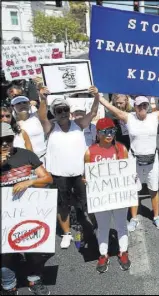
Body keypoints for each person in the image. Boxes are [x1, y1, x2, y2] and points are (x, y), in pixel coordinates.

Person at [99, 95, 159, 231]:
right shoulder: (129, 117)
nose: (142, 108)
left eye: (145, 105)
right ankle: (133, 219)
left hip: (152, 159)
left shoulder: (154, 117)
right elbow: (110, 107)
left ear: (148, 106)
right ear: (135, 107)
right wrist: (98, 97)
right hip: (134, 159)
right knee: (134, 190)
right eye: (139, 105)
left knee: (153, 189)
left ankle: (156, 217)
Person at [38, 86, 100, 249]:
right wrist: (43, 99)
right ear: (55, 113)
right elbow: (42, 117)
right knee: (63, 206)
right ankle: (67, 234)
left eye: (65, 109)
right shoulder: (50, 127)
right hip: (59, 175)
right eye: (59, 111)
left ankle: (95, 228)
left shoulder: (78, 123)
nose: (63, 113)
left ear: (69, 111)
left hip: (79, 174)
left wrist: (97, 96)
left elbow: (93, 113)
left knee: (86, 204)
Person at [1, 123, 54, 296]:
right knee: (5, 252)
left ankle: (35, 279)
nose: (4, 144)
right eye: (0, 140)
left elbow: (47, 178)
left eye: (8, 139)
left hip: (28, 212)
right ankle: (9, 285)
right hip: (5, 215)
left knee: (34, 249)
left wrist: (29, 182)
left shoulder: (27, 155)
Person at [84, 118, 131, 273]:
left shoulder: (122, 149)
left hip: (119, 196)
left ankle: (123, 251)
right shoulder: (90, 151)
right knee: (103, 226)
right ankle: (103, 254)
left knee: (121, 224)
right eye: (105, 132)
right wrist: (86, 179)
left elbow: (127, 170)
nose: (109, 134)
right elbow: (86, 174)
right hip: (101, 197)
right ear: (98, 133)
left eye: (112, 131)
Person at [11, 95, 47, 162]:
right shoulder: (10, 122)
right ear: (13, 107)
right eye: (18, 103)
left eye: (24, 102)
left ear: (29, 104)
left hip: (44, 157)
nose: (22, 105)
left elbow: (43, 107)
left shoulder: (37, 117)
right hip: (23, 162)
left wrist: (43, 98)